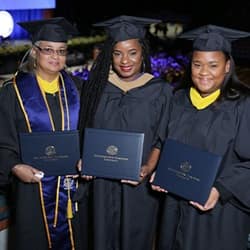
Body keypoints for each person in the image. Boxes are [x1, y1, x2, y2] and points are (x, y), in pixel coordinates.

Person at [75, 15, 173, 250]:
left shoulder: (159, 91)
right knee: (100, 236)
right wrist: (84, 160)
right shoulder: (96, 88)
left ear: (143, 54)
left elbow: (162, 138)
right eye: (117, 53)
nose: (125, 60)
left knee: (136, 238)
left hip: (138, 183)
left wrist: (148, 168)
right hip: (101, 182)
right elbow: (85, 129)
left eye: (132, 52)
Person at [151, 25, 250, 250]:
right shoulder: (178, 100)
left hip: (219, 214)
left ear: (227, 66)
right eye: (197, 64)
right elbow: (167, 145)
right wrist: (162, 170)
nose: (204, 72)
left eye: (213, 65)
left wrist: (221, 189)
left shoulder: (243, 105)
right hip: (174, 210)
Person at [0, 17, 83, 250]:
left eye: (62, 51)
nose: (56, 57)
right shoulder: (12, 93)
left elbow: (88, 134)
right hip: (32, 191)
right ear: (35, 52)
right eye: (48, 50)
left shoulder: (78, 89)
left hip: (71, 190)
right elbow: (3, 141)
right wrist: (15, 167)